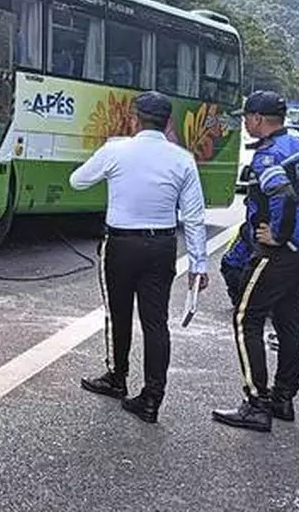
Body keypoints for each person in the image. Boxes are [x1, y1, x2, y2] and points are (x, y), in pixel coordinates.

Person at [68, 91, 209, 424]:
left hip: (121, 245)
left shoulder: (117, 149)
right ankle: (151, 398)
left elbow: (78, 181)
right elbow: (194, 216)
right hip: (162, 247)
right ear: (169, 122)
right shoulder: (182, 159)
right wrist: (198, 265)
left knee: (119, 314)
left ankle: (117, 377)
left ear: (134, 118)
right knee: (155, 322)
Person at [212, 90, 299, 433]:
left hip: (282, 253)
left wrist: (278, 235)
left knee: (247, 318)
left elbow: (284, 197)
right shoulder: (298, 146)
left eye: (247, 117)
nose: (245, 123)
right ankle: (283, 398)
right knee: (289, 321)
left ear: (259, 119)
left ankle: (256, 403)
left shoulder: (267, 157)